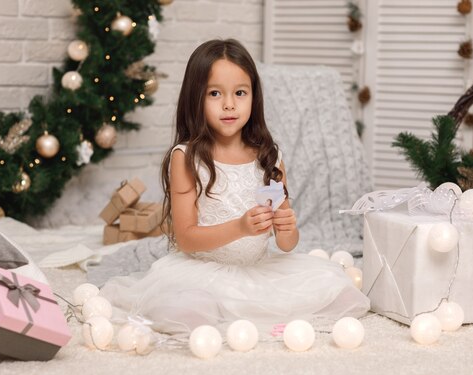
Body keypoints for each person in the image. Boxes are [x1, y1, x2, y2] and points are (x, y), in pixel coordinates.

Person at [100, 39, 370, 335]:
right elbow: (186, 238)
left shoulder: (270, 156)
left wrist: (287, 227)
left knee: (341, 295)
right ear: (195, 98)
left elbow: (287, 244)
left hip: (259, 270)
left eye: (240, 93)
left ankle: (250, 310)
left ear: (254, 97)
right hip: (203, 273)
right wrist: (240, 227)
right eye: (215, 93)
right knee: (186, 314)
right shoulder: (187, 157)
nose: (229, 104)